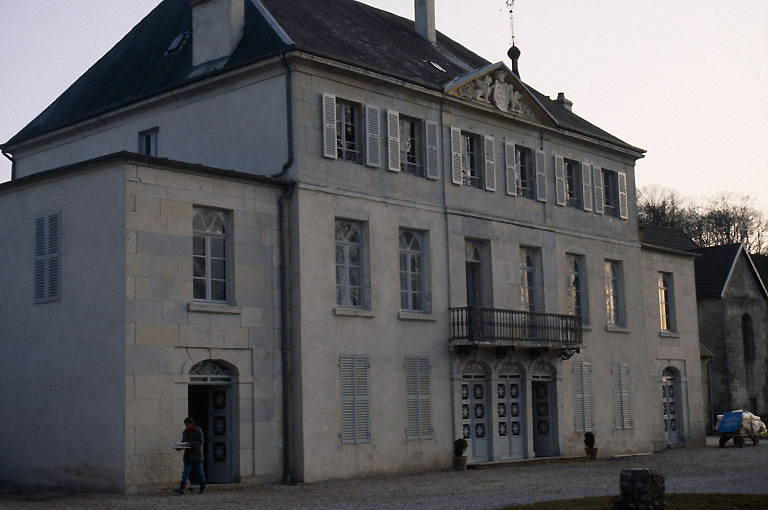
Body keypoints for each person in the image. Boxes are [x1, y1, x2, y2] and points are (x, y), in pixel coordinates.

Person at [175, 417, 205, 494]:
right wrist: (179, 447)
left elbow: (200, 442)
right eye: (185, 425)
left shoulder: (198, 430)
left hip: (197, 455)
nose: (186, 427)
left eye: (187, 425)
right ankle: (182, 487)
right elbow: (184, 442)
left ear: (191, 424)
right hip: (188, 456)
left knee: (200, 472)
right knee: (186, 472)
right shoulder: (185, 432)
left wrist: (191, 444)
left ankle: (202, 487)